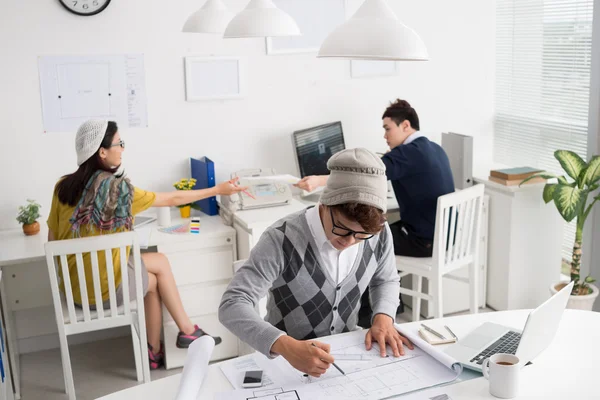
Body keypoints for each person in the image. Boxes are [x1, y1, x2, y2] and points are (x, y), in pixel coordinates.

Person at [47, 119, 246, 370]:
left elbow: (52, 241)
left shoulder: (61, 188)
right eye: (119, 143)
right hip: (104, 293)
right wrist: (218, 189)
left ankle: (165, 345)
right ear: (102, 152)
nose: (122, 148)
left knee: (152, 279)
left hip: (73, 290)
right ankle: (181, 334)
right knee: (159, 266)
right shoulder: (119, 192)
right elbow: (173, 197)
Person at [219, 148, 413, 378]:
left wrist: (383, 317)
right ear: (326, 203)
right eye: (343, 228)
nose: (350, 241)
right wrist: (285, 345)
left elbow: (386, 279)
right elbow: (233, 304)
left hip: (347, 357)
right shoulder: (282, 239)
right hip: (286, 361)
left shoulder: (379, 235)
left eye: (361, 236)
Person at [295, 100, 455, 324]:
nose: (384, 135)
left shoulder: (408, 153)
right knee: (374, 232)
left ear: (406, 126)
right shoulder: (432, 147)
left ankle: (366, 318)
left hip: (425, 241)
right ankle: (388, 306)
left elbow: (370, 174)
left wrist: (320, 180)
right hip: (445, 237)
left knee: (365, 240)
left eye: (387, 128)